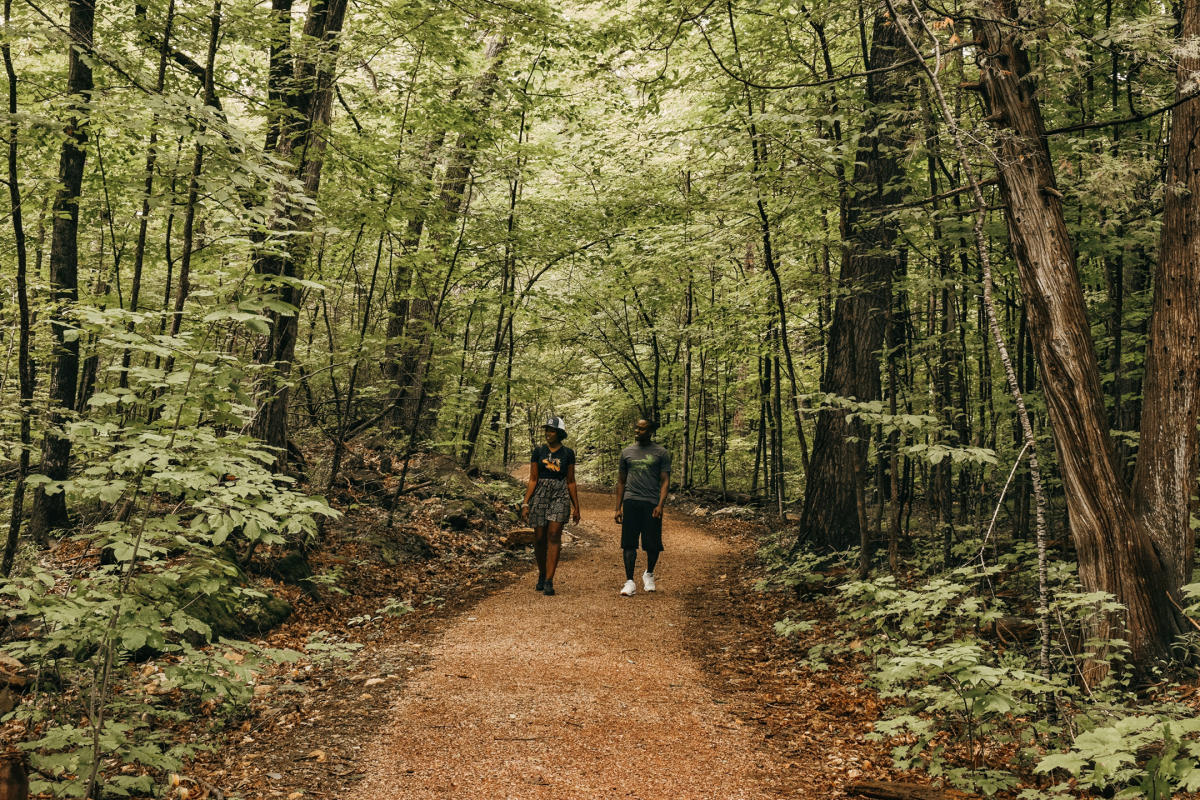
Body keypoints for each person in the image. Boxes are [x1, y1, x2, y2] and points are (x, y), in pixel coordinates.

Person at [521, 416, 581, 596]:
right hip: (540, 493)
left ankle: (549, 579)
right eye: (547, 430)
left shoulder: (568, 453)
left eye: (552, 430)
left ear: (560, 433)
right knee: (539, 537)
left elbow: (571, 481)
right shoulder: (538, 452)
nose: (548, 433)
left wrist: (576, 506)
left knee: (554, 535)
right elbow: (533, 478)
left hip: (560, 493)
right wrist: (525, 503)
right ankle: (541, 573)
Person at [613, 418, 671, 596]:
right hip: (631, 501)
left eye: (642, 429)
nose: (637, 431)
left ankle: (649, 574)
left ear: (650, 431)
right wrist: (618, 507)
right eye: (637, 428)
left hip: (651, 503)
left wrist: (661, 504)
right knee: (628, 544)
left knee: (652, 545)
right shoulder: (627, 452)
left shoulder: (661, 453)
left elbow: (665, 480)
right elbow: (621, 481)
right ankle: (629, 581)